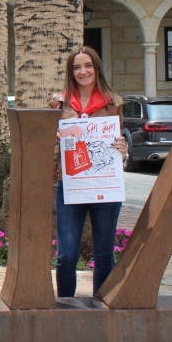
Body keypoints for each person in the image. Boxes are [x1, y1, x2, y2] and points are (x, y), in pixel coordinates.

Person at [51, 45, 127, 299]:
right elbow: (43, 138)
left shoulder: (114, 102)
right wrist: (54, 136)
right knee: (66, 255)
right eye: (76, 67)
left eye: (87, 66)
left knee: (104, 253)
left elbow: (117, 140)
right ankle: (65, 308)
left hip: (104, 185)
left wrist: (123, 147)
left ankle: (101, 307)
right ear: (70, 73)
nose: (82, 72)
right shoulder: (58, 103)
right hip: (70, 184)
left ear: (96, 69)